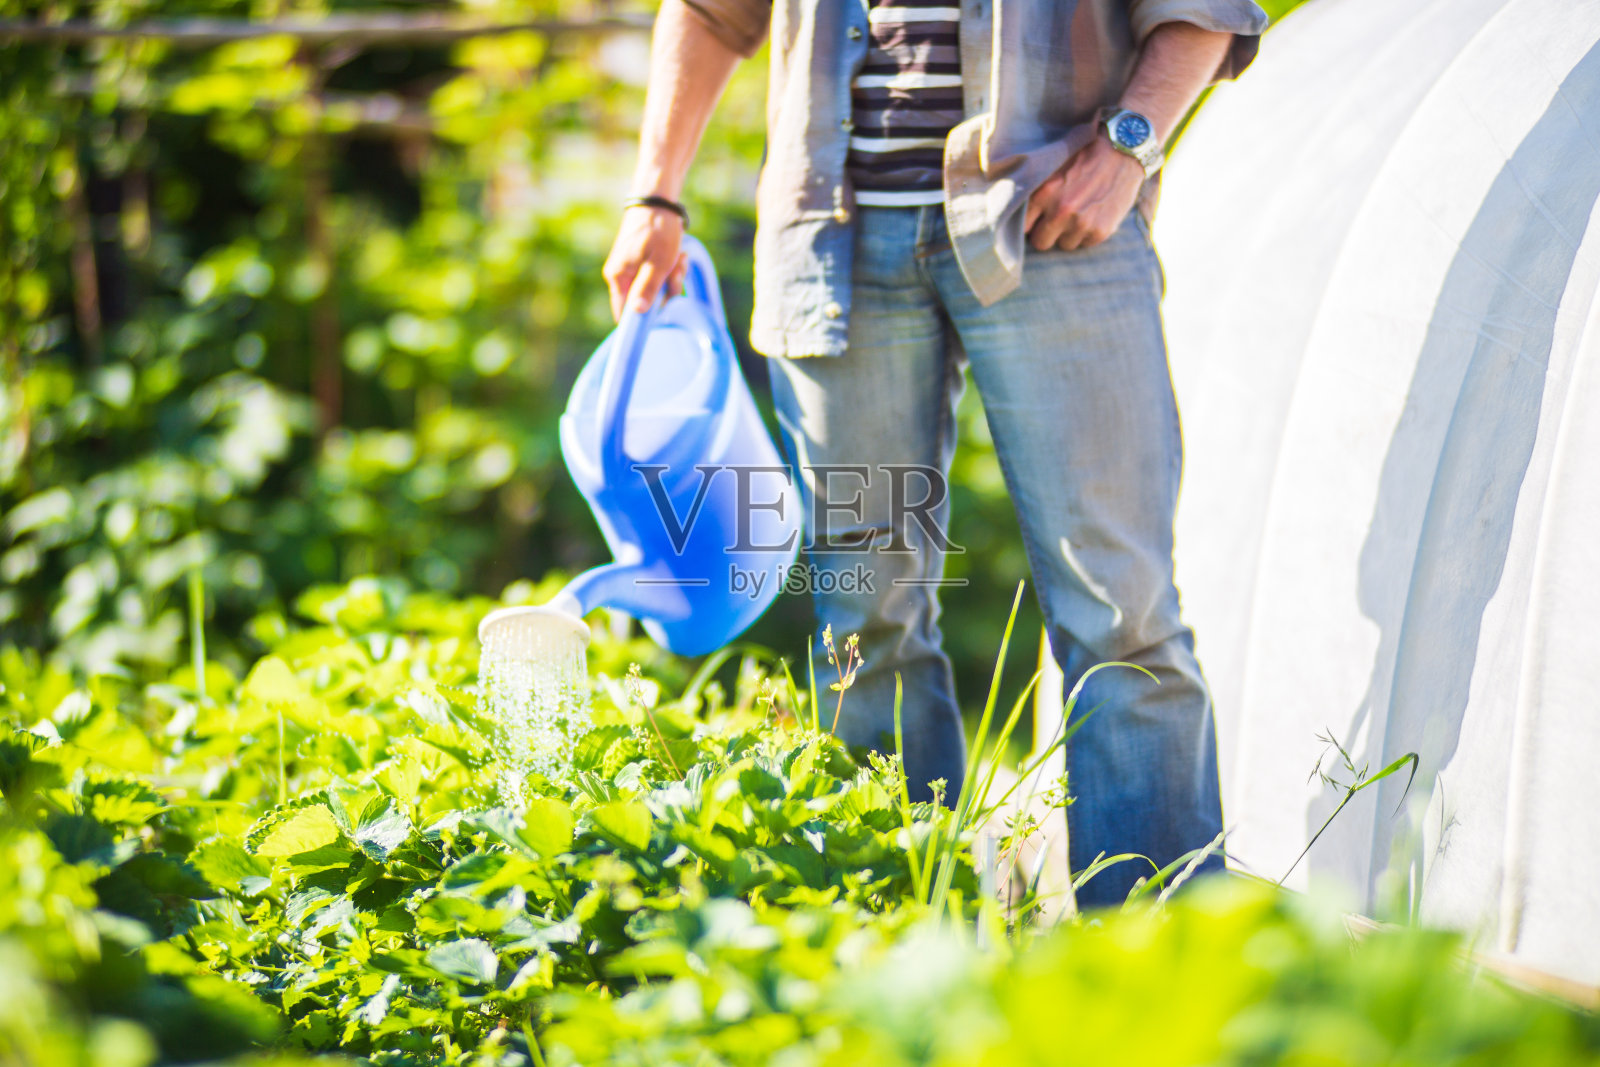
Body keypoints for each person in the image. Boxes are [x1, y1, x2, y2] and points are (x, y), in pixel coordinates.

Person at [603, 0, 1268, 906]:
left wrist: (1128, 148)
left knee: (1121, 611)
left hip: (1057, 221)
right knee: (863, 616)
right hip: (833, 239)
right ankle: (903, 938)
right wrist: (655, 191)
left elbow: (1207, 10)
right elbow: (710, 13)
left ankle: (1153, 964)